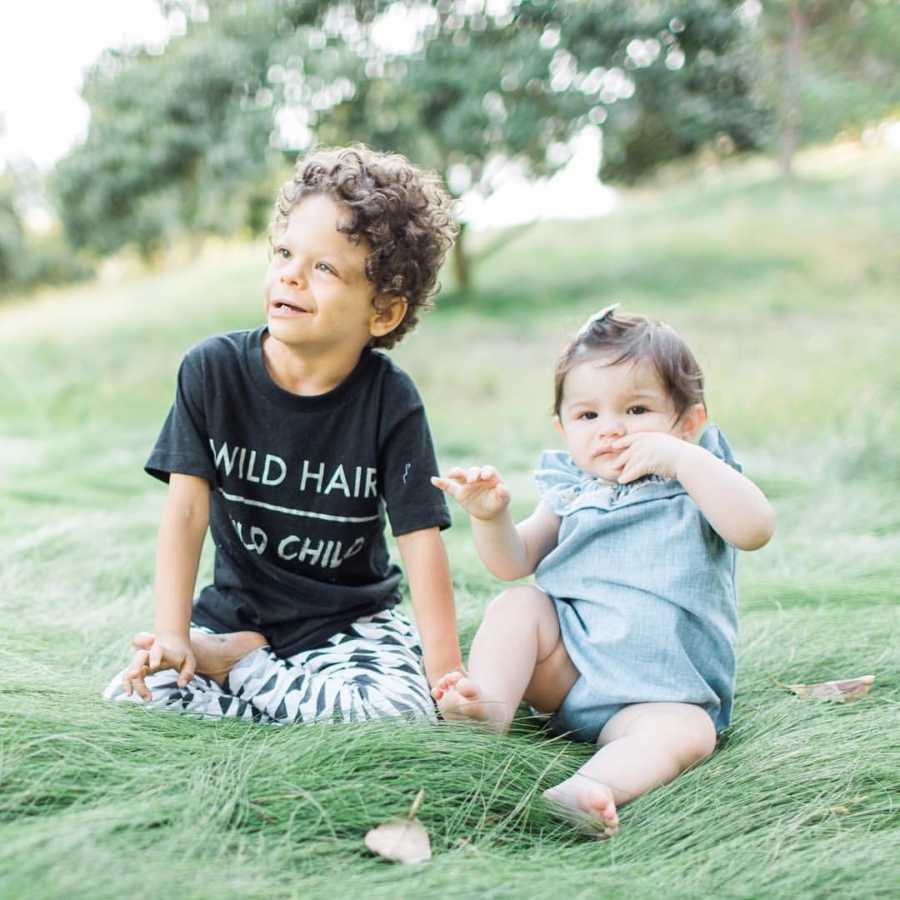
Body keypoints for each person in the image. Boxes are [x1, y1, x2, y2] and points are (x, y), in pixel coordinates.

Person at [104, 145, 463, 725]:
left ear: (383, 312)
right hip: (231, 617)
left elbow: (421, 542)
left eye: (324, 268)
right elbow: (187, 514)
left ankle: (247, 672)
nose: (291, 274)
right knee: (136, 701)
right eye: (285, 253)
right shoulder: (212, 371)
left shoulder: (390, 400)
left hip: (348, 626)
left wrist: (447, 680)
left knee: (401, 713)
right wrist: (174, 634)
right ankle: (262, 681)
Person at [430, 305, 775, 835]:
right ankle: (487, 715)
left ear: (689, 423)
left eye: (637, 410)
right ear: (563, 428)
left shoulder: (698, 483)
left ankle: (590, 787)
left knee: (691, 733)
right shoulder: (572, 491)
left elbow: (755, 530)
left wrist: (684, 461)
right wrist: (490, 516)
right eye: (588, 416)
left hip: (660, 698)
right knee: (518, 605)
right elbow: (512, 563)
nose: (611, 430)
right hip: (571, 675)